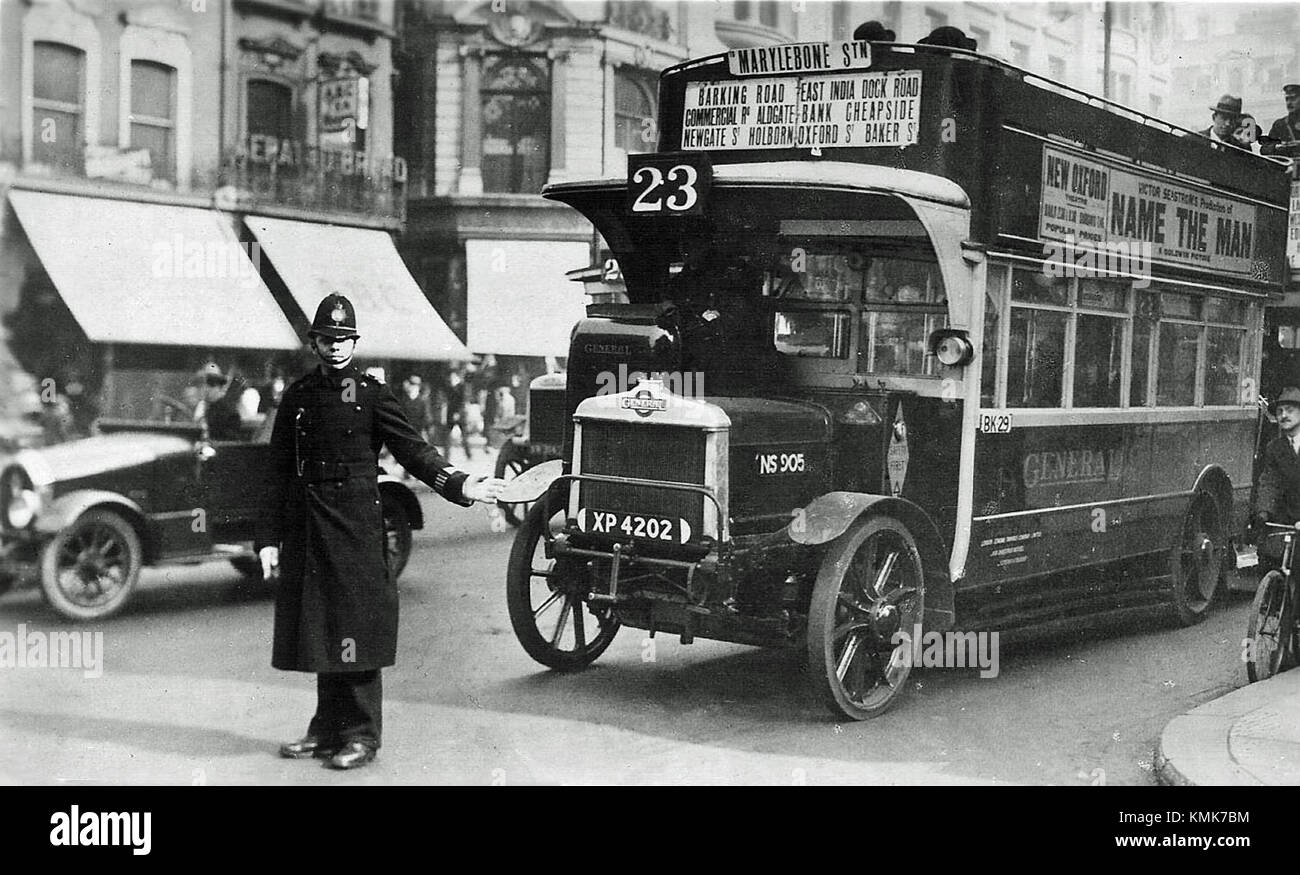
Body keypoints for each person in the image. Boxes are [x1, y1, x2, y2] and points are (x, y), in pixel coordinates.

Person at [257, 294, 505, 770]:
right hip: (309, 525)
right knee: (320, 625)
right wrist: (268, 538)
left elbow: (414, 451)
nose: (335, 347)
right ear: (314, 342)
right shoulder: (298, 396)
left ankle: (361, 735)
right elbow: (277, 472)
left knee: (355, 625)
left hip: (355, 527)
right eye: (327, 339)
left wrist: (460, 483)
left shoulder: (371, 394)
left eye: (344, 339)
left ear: (354, 342)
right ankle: (325, 728)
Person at [1253, 387, 1300, 557]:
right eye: (1279, 411)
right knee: (1269, 556)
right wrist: (1263, 512)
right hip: (1284, 519)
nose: (1284, 415)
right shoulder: (1275, 448)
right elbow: (1269, 482)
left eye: (1290, 410)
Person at [1264, 83, 1300, 149]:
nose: (1289, 103)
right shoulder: (1280, 124)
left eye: (1293, 98)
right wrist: (1278, 147)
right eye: (1287, 99)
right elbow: (1265, 148)